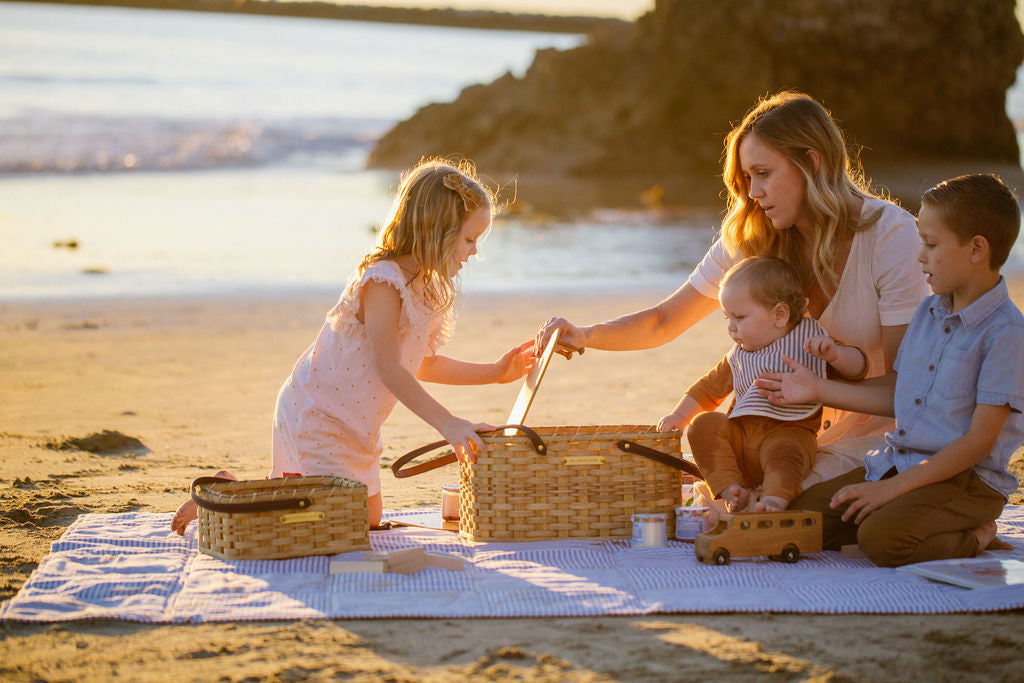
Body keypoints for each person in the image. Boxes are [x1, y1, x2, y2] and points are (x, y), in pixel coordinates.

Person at [536, 91, 927, 485]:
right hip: (771, 431)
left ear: (811, 162)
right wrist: (584, 334)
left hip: (874, 434)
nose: (753, 192)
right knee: (728, 497)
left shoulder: (889, 234)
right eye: (746, 178)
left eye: (764, 173)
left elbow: (902, 390)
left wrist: (817, 390)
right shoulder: (755, 233)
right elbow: (663, 320)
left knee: (788, 505)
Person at [171, 158, 534, 534]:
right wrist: (449, 425)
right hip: (318, 415)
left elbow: (419, 363)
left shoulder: (425, 288)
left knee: (366, 519)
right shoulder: (384, 282)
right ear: (434, 231)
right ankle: (226, 496)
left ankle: (244, 491)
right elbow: (389, 369)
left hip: (357, 428)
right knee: (336, 523)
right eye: (469, 239)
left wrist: (495, 372)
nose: (474, 251)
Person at [758, 174, 1023, 567]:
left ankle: (977, 535)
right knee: (801, 522)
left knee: (882, 541)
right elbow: (899, 393)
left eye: (931, 245)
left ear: (977, 249)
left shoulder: (1006, 333)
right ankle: (901, 514)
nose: (920, 257)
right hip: (900, 461)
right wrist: (817, 389)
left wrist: (890, 491)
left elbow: (977, 445)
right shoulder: (927, 314)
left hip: (966, 480)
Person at [658, 256, 866, 512]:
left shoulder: (810, 344)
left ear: (779, 314)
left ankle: (774, 499)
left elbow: (859, 370)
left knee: (786, 457)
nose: (731, 328)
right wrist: (680, 416)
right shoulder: (739, 355)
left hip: (788, 433)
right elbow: (707, 389)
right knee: (703, 425)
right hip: (740, 439)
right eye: (728, 319)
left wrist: (836, 354)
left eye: (740, 317)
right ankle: (731, 489)